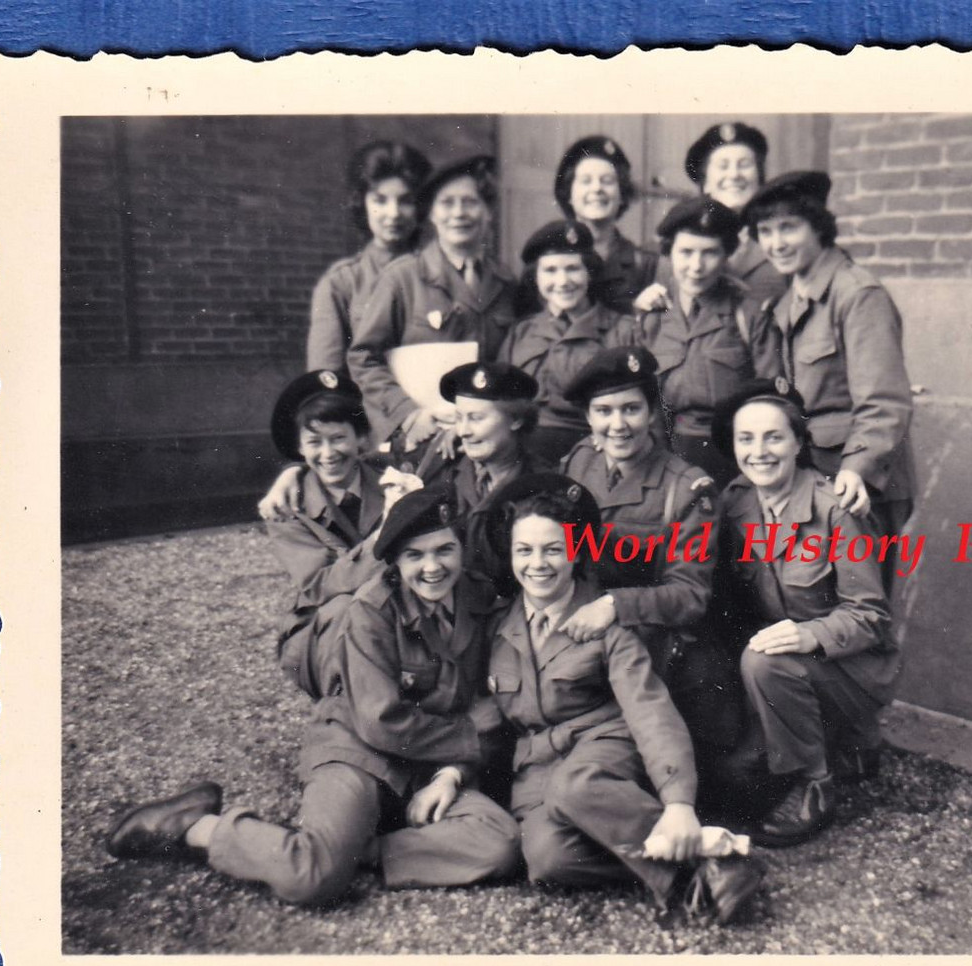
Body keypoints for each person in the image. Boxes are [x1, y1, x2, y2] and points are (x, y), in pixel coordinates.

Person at [105, 485, 522, 906]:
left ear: (462, 548)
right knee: (313, 878)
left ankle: (361, 850)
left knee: (500, 843)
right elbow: (382, 720)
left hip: (430, 761)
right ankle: (196, 826)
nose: (433, 567)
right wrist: (468, 742)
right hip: (361, 754)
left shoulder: (479, 597)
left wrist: (451, 774)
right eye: (415, 555)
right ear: (394, 560)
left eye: (444, 550)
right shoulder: (371, 611)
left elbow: (485, 696)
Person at [482, 473, 764, 925]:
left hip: (604, 748)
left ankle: (690, 850)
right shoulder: (498, 625)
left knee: (575, 785)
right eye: (525, 550)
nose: (538, 564)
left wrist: (678, 804)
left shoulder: (603, 621)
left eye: (553, 549)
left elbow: (649, 709)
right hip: (539, 766)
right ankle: (704, 869)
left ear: (575, 551)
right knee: (549, 861)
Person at [711, 389, 901, 847]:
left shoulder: (835, 508)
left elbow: (871, 616)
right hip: (790, 670)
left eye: (774, 438)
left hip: (852, 669)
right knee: (731, 776)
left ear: (799, 443)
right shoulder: (736, 503)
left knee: (763, 662)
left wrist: (807, 634)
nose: (759, 452)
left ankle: (815, 783)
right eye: (746, 439)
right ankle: (839, 744)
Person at [558, 346, 741, 758]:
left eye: (631, 409)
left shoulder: (688, 488)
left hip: (657, 644)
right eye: (603, 411)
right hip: (583, 631)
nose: (618, 425)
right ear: (588, 418)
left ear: (652, 413)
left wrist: (613, 605)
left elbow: (690, 596)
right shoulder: (577, 463)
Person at [743, 171, 918, 587]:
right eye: (765, 231)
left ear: (818, 226)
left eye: (788, 227)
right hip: (815, 478)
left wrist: (859, 467)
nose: (776, 243)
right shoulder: (788, 302)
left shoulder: (857, 294)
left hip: (862, 484)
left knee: (862, 609)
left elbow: (884, 401)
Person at [348, 154, 517, 445]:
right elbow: (364, 359)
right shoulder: (403, 278)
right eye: (447, 203)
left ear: (488, 211)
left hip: (487, 439)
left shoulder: (506, 282)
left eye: (470, 202)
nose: (459, 213)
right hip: (423, 436)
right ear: (431, 214)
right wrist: (409, 413)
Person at [632, 196, 777, 483]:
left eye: (709, 253)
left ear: (726, 256)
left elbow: (769, 396)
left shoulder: (748, 315)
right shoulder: (653, 314)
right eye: (685, 252)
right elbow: (641, 393)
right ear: (668, 253)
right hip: (663, 457)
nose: (696, 266)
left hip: (731, 458)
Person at [263, 368, 387, 698]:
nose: (328, 454)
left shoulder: (390, 481)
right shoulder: (288, 507)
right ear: (300, 448)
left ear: (360, 438)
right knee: (347, 609)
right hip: (324, 626)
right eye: (315, 442)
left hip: (388, 615)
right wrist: (383, 541)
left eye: (338, 438)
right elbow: (320, 585)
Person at [496, 221, 639, 466]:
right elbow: (498, 401)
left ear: (590, 272)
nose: (562, 281)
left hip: (596, 457)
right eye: (550, 270)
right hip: (524, 458)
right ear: (536, 276)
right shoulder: (522, 332)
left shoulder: (623, 330)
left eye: (573, 268)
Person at [306, 140, 432, 372]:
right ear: (362, 204)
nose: (393, 214)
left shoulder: (439, 274)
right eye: (380, 201)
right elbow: (326, 375)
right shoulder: (341, 283)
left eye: (405, 201)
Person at [680, 121, 787, 305]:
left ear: (759, 178)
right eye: (723, 166)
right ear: (705, 183)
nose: (734, 175)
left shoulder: (782, 239)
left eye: (744, 165)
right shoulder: (680, 245)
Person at [553, 135, 657, 314]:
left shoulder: (644, 265)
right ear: (569, 194)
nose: (596, 189)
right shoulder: (548, 263)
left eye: (607, 181)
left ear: (622, 194)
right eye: (586, 181)